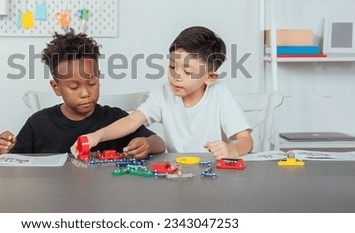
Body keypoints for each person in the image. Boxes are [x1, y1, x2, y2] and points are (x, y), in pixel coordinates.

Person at [71, 26, 253, 159]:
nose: (176, 75)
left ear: (210, 77)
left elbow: (246, 140)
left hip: (215, 173)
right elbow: (132, 121)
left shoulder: (220, 94)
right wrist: (96, 136)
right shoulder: (163, 94)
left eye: (188, 72)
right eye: (172, 66)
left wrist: (232, 150)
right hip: (178, 173)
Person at [0, 31, 165, 159]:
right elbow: (13, 160)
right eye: (74, 87)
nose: (85, 93)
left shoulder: (115, 120)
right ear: (56, 87)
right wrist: (3, 151)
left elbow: (160, 143)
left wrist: (147, 145)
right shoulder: (38, 124)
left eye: (91, 83)